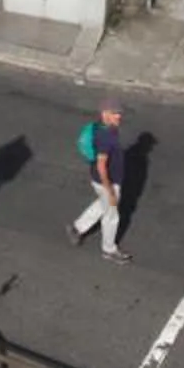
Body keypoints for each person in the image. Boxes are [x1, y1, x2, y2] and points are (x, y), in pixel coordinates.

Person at [68, 102, 129, 261]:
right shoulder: (106, 137)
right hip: (107, 181)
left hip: (98, 178)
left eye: (119, 113)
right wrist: (110, 191)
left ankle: (77, 228)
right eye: (115, 113)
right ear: (105, 114)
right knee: (111, 216)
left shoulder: (101, 127)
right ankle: (109, 250)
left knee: (102, 205)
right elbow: (102, 166)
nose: (119, 116)